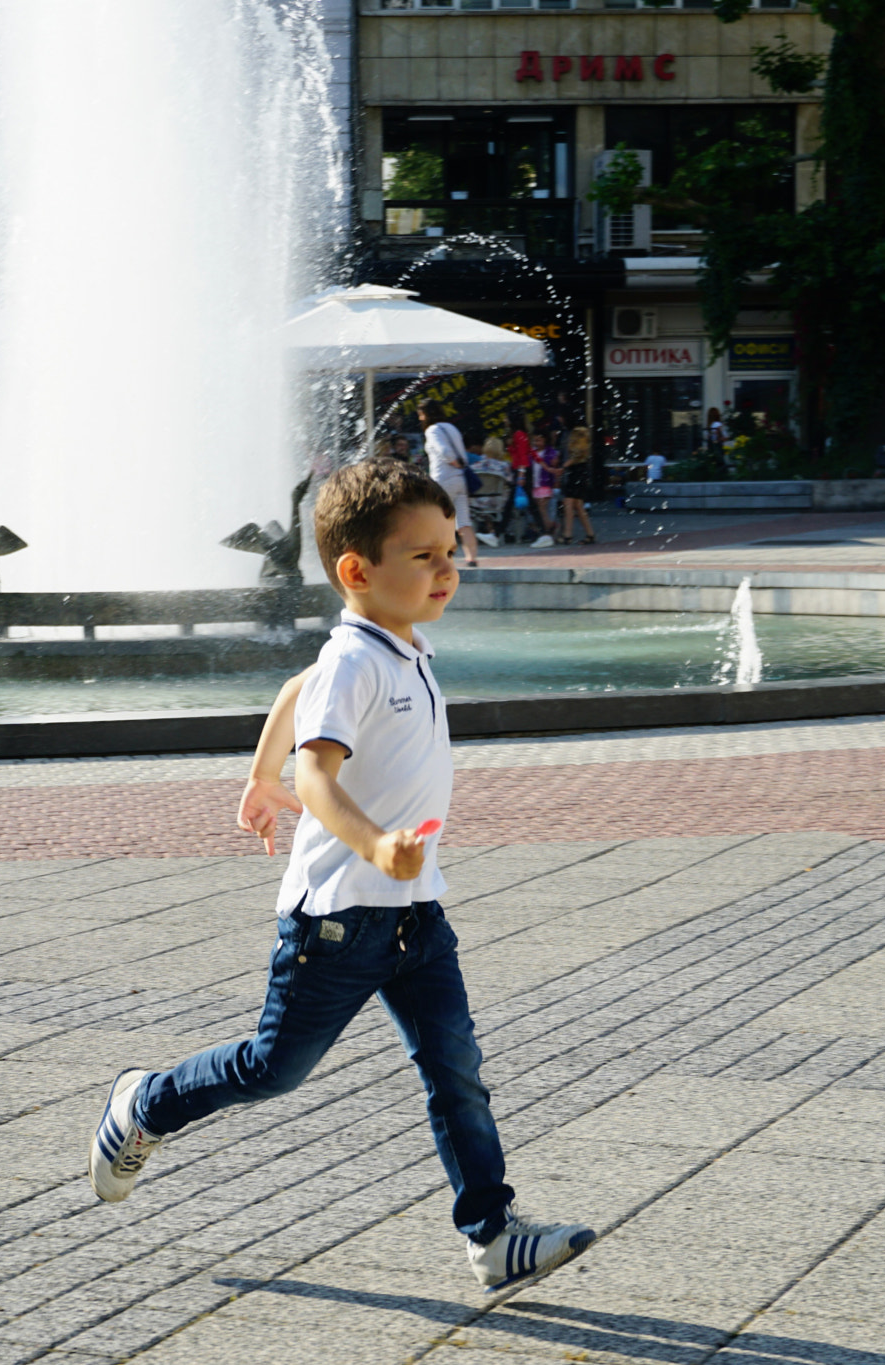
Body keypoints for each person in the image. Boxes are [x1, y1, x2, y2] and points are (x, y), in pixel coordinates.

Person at [88, 458, 595, 1291]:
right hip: (338, 923)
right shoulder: (358, 660)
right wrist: (369, 840)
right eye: (424, 555)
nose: (448, 568)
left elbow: (297, 688)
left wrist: (256, 773)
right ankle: (144, 1103)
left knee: (455, 1069)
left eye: (449, 549)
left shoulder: (397, 645)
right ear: (358, 572)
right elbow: (317, 776)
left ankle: (493, 1232)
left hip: (415, 919)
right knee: (272, 1068)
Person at [419, 400, 491, 564]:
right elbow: (462, 455)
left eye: (421, 415)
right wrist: (459, 466)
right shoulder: (452, 428)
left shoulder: (432, 430)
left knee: (432, 519)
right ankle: (471, 558)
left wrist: (453, 462)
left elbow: (445, 451)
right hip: (460, 479)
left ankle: (433, 557)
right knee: (463, 522)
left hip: (443, 479)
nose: (420, 419)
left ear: (427, 414)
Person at [556, 426, 597, 544]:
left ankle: (567, 535)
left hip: (575, 476)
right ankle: (590, 534)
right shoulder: (584, 450)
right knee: (578, 506)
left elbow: (573, 459)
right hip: (580, 475)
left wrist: (563, 467)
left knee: (569, 505)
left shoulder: (577, 452)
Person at [528, 429, 560, 547]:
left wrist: (556, 483)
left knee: (542, 508)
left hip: (545, 484)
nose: (536, 443)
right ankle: (548, 529)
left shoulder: (550, 452)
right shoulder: (532, 453)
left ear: (545, 440)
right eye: (535, 440)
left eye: (539, 440)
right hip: (536, 484)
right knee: (539, 509)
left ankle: (547, 530)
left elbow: (555, 468)